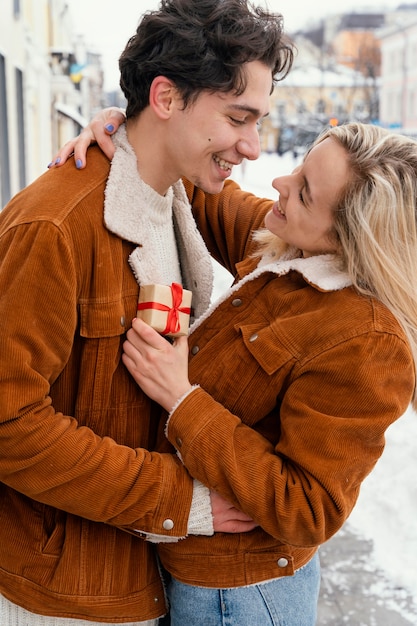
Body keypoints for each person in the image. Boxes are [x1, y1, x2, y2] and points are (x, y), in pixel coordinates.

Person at [54, 119, 417, 626]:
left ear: (351, 237)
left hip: (243, 599)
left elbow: (309, 509)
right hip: (193, 571)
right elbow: (199, 189)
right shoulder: (292, 242)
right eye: (297, 170)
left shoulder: (368, 341)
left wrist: (183, 401)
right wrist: (126, 127)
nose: (279, 185)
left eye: (305, 193)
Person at [0, 1, 294, 625]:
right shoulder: (53, 226)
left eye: (259, 121)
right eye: (239, 118)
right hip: (67, 595)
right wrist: (180, 498)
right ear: (166, 97)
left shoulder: (177, 191)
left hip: (142, 574)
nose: (252, 146)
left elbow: (299, 234)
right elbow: (8, 424)